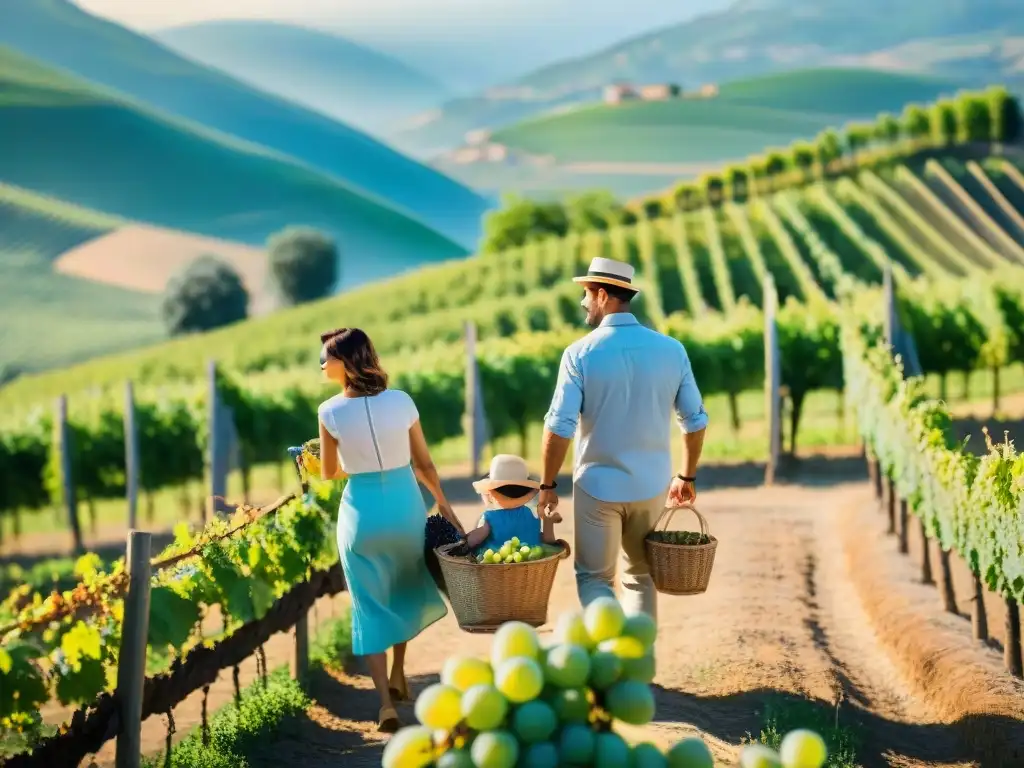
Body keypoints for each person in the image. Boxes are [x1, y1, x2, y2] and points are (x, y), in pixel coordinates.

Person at [538, 256, 709, 622]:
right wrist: (687, 476)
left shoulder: (579, 354)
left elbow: (559, 426)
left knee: (594, 578)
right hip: (651, 485)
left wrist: (547, 483)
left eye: (586, 294)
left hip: (598, 486)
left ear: (602, 295)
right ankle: (640, 662)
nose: (583, 302)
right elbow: (695, 421)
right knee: (640, 576)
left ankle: (611, 655)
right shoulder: (671, 350)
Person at [317, 327, 465, 733]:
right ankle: (400, 670)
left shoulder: (328, 412)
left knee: (369, 605)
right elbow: (425, 466)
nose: (322, 365)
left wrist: (330, 462)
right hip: (405, 509)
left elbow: (330, 472)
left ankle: (384, 704)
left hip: (361, 514)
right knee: (402, 589)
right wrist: (444, 504)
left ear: (346, 363)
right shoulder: (401, 402)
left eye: (325, 358)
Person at [465, 454, 562, 553]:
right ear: (527, 491)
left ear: (491, 493)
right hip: (531, 561)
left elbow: (476, 538)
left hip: (496, 564)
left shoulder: (489, 517)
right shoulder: (531, 513)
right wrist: (548, 523)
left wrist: (464, 543)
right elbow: (546, 539)